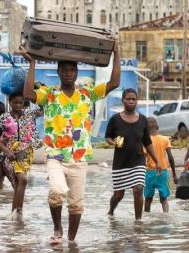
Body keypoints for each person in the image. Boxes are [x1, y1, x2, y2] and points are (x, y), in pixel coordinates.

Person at [22, 37, 120, 244]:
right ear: (58, 72)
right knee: (57, 192)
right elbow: (28, 93)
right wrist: (32, 63)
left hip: (80, 156)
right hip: (55, 155)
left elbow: (114, 83)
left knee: (76, 204)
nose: (68, 73)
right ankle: (57, 228)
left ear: (77, 73)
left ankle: (71, 240)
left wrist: (116, 53)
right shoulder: (50, 94)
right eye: (64, 70)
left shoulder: (87, 94)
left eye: (72, 70)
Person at [105, 89, 160, 220]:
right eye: (128, 99)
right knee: (118, 195)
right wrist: (113, 142)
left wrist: (156, 160)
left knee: (138, 188)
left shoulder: (142, 120)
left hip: (138, 160)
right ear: (123, 101)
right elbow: (107, 137)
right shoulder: (115, 119)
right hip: (120, 163)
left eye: (133, 99)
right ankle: (111, 211)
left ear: (137, 101)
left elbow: (147, 142)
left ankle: (138, 221)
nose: (131, 101)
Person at [0, 92, 42, 221]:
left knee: (17, 184)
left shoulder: (29, 115)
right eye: (15, 102)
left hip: (26, 156)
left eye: (20, 103)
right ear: (9, 103)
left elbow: (43, 107)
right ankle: (19, 213)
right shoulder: (4, 118)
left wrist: (37, 89)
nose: (18, 105)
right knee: (23, 180)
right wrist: (6, 151)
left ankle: (14, 216)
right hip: (11, 156)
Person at [144, 117, 177, 213]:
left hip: (149, 173)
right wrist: (174, 174)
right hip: (163, 173)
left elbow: (142, 159)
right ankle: (166, 218)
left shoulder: (145, 141)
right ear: (157, 126)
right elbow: (171, 158)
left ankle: (145, 219)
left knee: (148, 199)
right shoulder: (165, 139)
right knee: (164, 199)